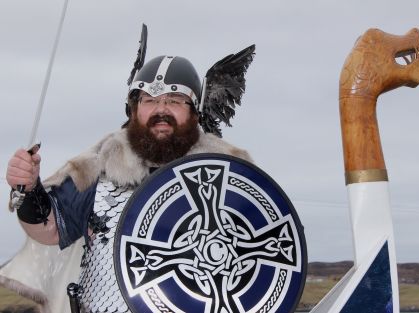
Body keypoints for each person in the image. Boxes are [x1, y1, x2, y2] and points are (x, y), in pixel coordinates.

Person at [1, 40, 255, 312]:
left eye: (175, 101)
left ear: (194, 111)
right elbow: (51, 228)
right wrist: (29, 190)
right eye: (150, 100)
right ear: (134, 109)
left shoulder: (229, 178)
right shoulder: (99, 168)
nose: (161, 110)